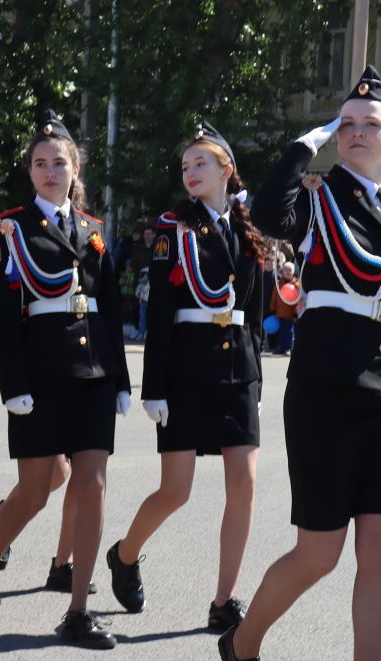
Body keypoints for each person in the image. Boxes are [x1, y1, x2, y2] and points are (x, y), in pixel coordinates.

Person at [220, 67, 381, 661]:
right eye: (347, 124)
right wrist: (301, 148)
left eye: (370, 123)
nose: (356, 132)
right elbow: (266, 217)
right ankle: (241, 643)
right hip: (327, 388)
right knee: (318, 554)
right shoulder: (317, 196)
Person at [0, 112, 131, 650]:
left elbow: (110, 308)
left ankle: (78, 610)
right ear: (29, 172)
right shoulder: (10, 229)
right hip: (40, 376)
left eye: (58, 161)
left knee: (92, 484)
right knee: (36, 491)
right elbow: (6, 313)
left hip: (93, 375)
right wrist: (11, 383)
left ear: (75, 167)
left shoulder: (94, 230)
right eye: (39, 163)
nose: (49, 171)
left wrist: (124, 379)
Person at [109, 122, 265, 633]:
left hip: (236, 371)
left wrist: (256, 382)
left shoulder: (247, 228)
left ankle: (224, 599)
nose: (191, 172)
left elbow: (256, 313)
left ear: (226, 169)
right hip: (186, 371)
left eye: (201, 163)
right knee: (175, 491)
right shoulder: (173, 229)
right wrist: (153, 388)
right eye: (186, 166)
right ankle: (126, 555)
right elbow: (161, 315)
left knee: (243, 488)